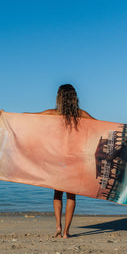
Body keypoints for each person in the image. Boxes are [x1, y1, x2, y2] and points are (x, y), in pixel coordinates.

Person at [39, 84, 95, 239]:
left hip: (57, 159)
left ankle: (58, 226)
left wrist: (4, 115)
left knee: (57, 193)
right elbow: (102, 127)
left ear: (59, 97)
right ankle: (66, 232)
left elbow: (27, 117)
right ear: (74, 98)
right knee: (71, 196)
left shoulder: (52, 113)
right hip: (75, 160)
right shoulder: (81, 114)